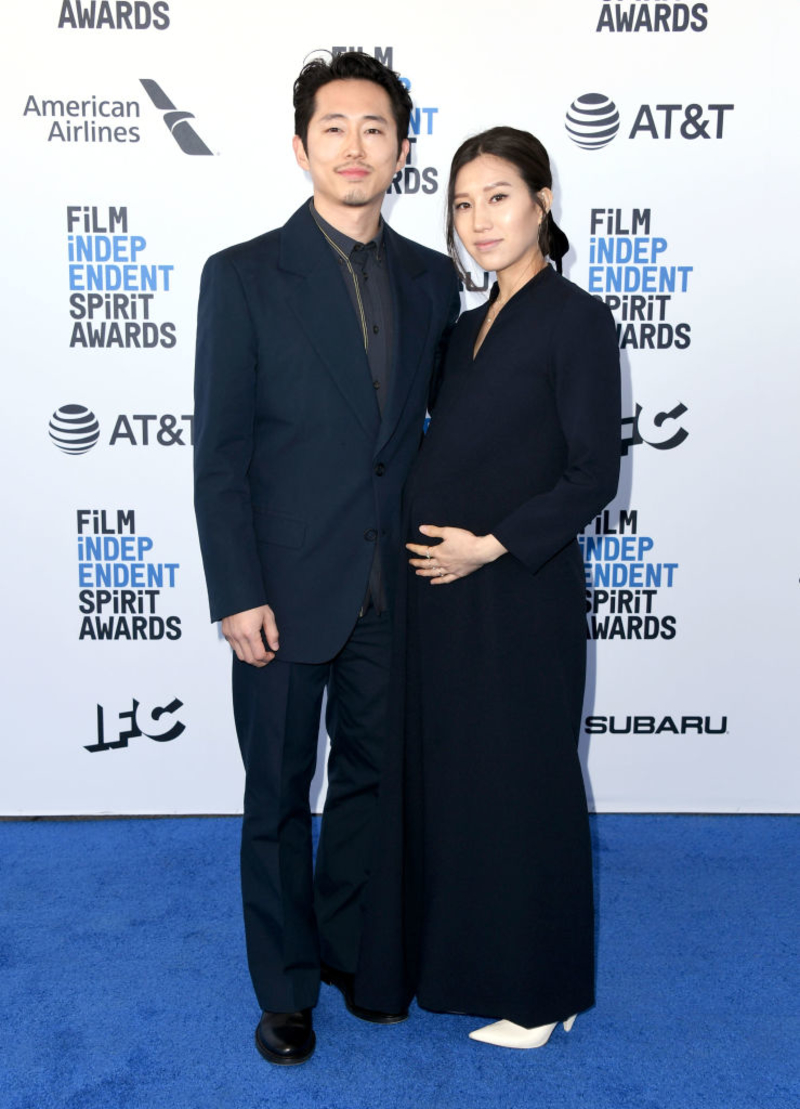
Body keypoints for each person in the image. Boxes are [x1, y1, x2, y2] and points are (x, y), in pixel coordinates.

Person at [193, 51, 459, 1066]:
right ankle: (286, 987)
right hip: (280, 591)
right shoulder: (243, 275)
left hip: (393, 590)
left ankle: (354, 954)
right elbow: (218, 454)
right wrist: (235, 591)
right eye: (335, 128)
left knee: (370, 786)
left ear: (402, 150)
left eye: (376, 129)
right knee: (274, 792)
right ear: (301, 146)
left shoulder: (434, 279)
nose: (355, 147)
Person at [357, 126, 620, 1049]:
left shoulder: (579, 318)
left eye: (498, 197)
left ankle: (547, 990)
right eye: (462, 204)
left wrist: (493, 546)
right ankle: (469, 962)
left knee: (526, 781)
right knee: (465, 784)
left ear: (542, 201)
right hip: (443, 597)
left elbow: (592, 474)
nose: (478, 221)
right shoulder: (464, 327)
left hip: (519, 592)